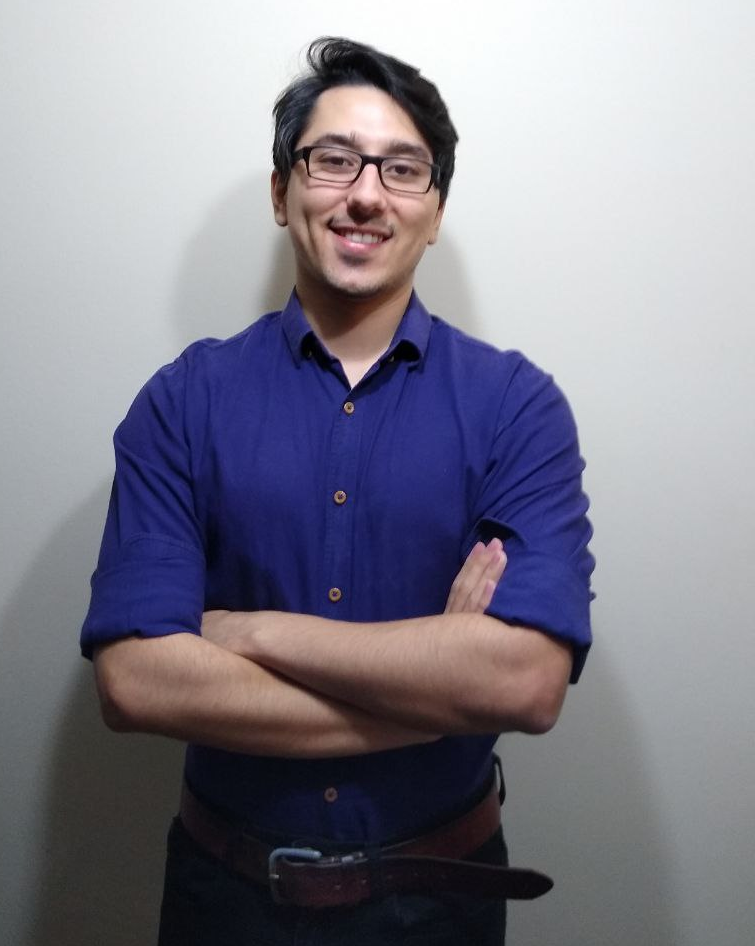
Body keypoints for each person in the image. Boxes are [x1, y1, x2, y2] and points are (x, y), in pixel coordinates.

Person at [81, 36, 594, 946]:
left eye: (402, 169)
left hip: (438, 904)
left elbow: (523, 682)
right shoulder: (183, 401)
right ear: (282, 192)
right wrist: (434, 693)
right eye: (333, 160)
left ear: (434, 212)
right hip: (225, 901)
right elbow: (136, 683)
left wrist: (248, 632)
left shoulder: (516, 407)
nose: (365, 194)